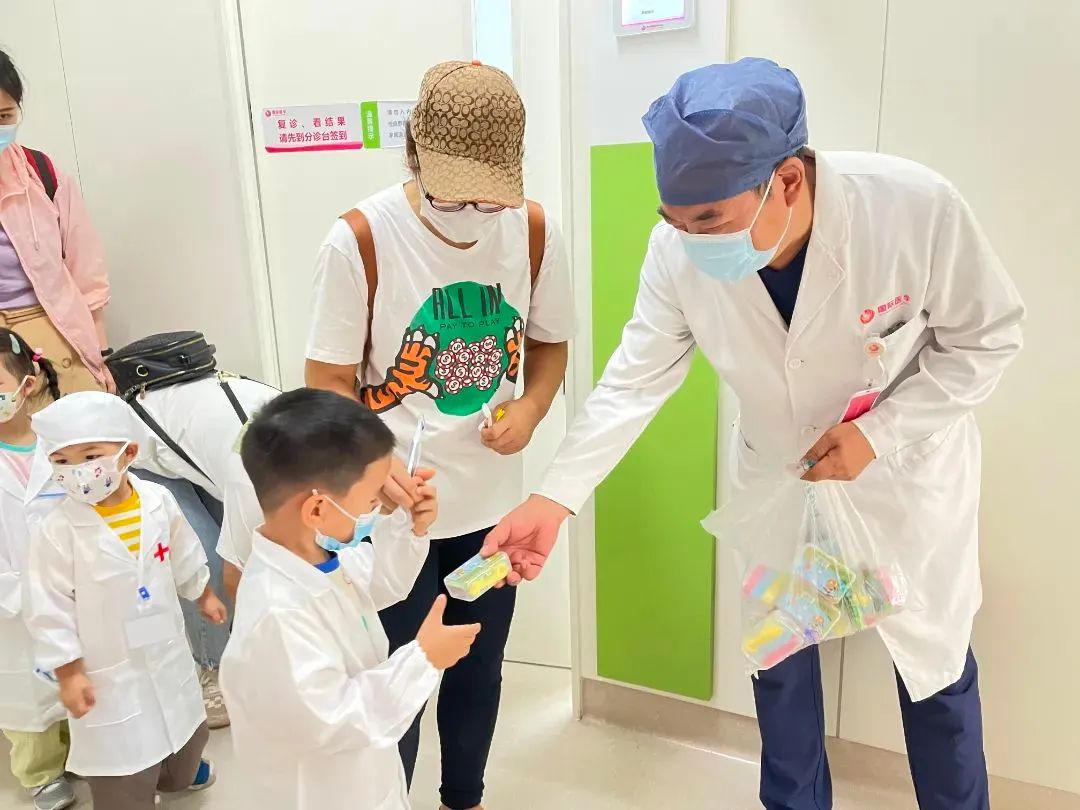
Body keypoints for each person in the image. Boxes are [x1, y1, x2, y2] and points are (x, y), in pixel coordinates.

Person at [485, 59, 1024, 810]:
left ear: (789, 181)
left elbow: (988, 339)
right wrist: (554, 498)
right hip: (778, 476)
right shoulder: (677, 251)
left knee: (934, 669)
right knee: (780, 662)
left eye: (708, 220)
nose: (691, 240)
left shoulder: (911, 208)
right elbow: (634, 379)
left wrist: (881, 434)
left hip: (902, 482)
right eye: (674, 220)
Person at [305, 60, 573, 810]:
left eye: (491, 197)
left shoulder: (533, 231)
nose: (475, 212)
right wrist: (376, 464)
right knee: (395, 680)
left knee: (478, 671)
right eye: (456, 194)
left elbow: (549, 345)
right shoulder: (360, 239)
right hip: (393, 516)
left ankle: (465, 798)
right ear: (415, 152)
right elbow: (327, 380)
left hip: (490, 512)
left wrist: (532, 408)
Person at [220, 388, 478, 810]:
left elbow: (380, 582)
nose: (377, 508)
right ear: (317, 510)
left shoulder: (319, 557)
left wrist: (408, 527)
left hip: (363, 781)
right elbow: (334, 719)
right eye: (372, 498)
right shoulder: (277, 614)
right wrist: (423, 660)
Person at [24, 392, 228, 810]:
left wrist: (203, 593)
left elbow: (183, 551)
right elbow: (47, 606)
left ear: (128, 454)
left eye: (90, 456)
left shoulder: (157, 500)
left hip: (163, 641)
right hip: (108, 662)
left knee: (186, 725)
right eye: (62, 461)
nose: (77, 471)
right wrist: (69, 672)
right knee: (123, 762)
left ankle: (179, 772)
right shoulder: (58, 531)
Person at [125, 372, 280, 728]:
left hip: (195, 434)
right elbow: (236, 571)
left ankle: (240, 653)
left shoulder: (329, 448)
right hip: (146, 446)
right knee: (203, 555)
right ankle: (214, 666)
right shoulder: (254, 482)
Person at [0, 49, 111, 397]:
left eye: (4, 115)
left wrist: (102, 357)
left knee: (79, 427)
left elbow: (87, 274)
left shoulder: (43, 174)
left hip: (55, 327)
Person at [0, 328, 73, 810]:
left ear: (27, 384)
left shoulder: (63, 444)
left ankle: (88, 753)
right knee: (25, 695)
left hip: (71, 587)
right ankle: (41, 773)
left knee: (83, 675)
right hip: (10, 600)